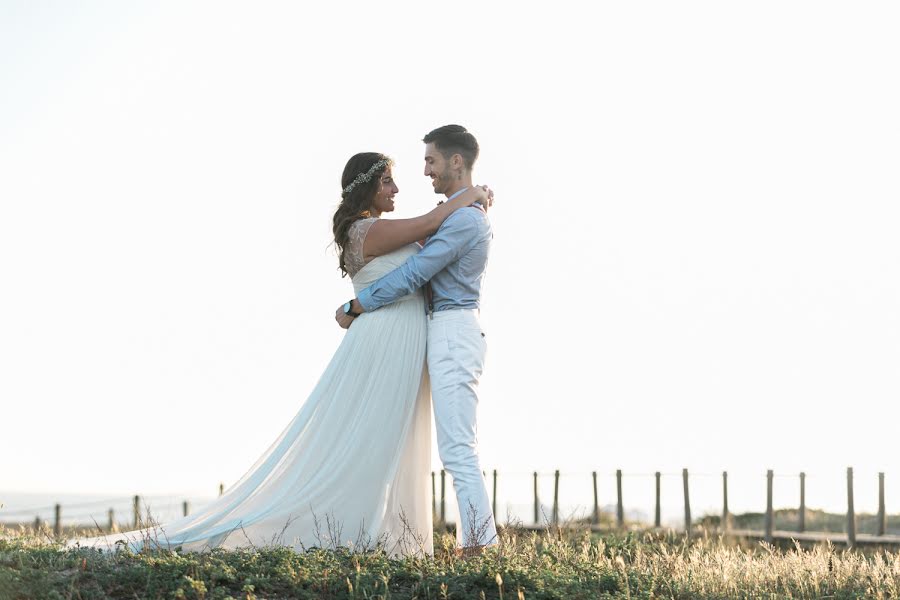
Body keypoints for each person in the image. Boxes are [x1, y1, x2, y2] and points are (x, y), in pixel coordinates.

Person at [64, 152, 489, 557]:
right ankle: (351, 531)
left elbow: (437, 237)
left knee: (391, 437)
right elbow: (433, 222)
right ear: (367, 187)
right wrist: (471, 194)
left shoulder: (379, 227)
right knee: (372, 437)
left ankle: (389, 534)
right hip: (385, 339)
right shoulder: (368, 230)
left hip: (401, 337)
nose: (396, 188)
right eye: (387, 180)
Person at [335, 125, 497, 552]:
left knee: (457, 447)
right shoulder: (455, 215)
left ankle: (480, 546)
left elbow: (415, 272)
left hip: (452, 329)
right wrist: (473, 193)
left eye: (431, 160)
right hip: (437, 330)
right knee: (446, 445)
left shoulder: (463, 220)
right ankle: (475, 544)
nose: (424, 171)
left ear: (455, 162)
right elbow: (423, 237)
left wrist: (357, 305)